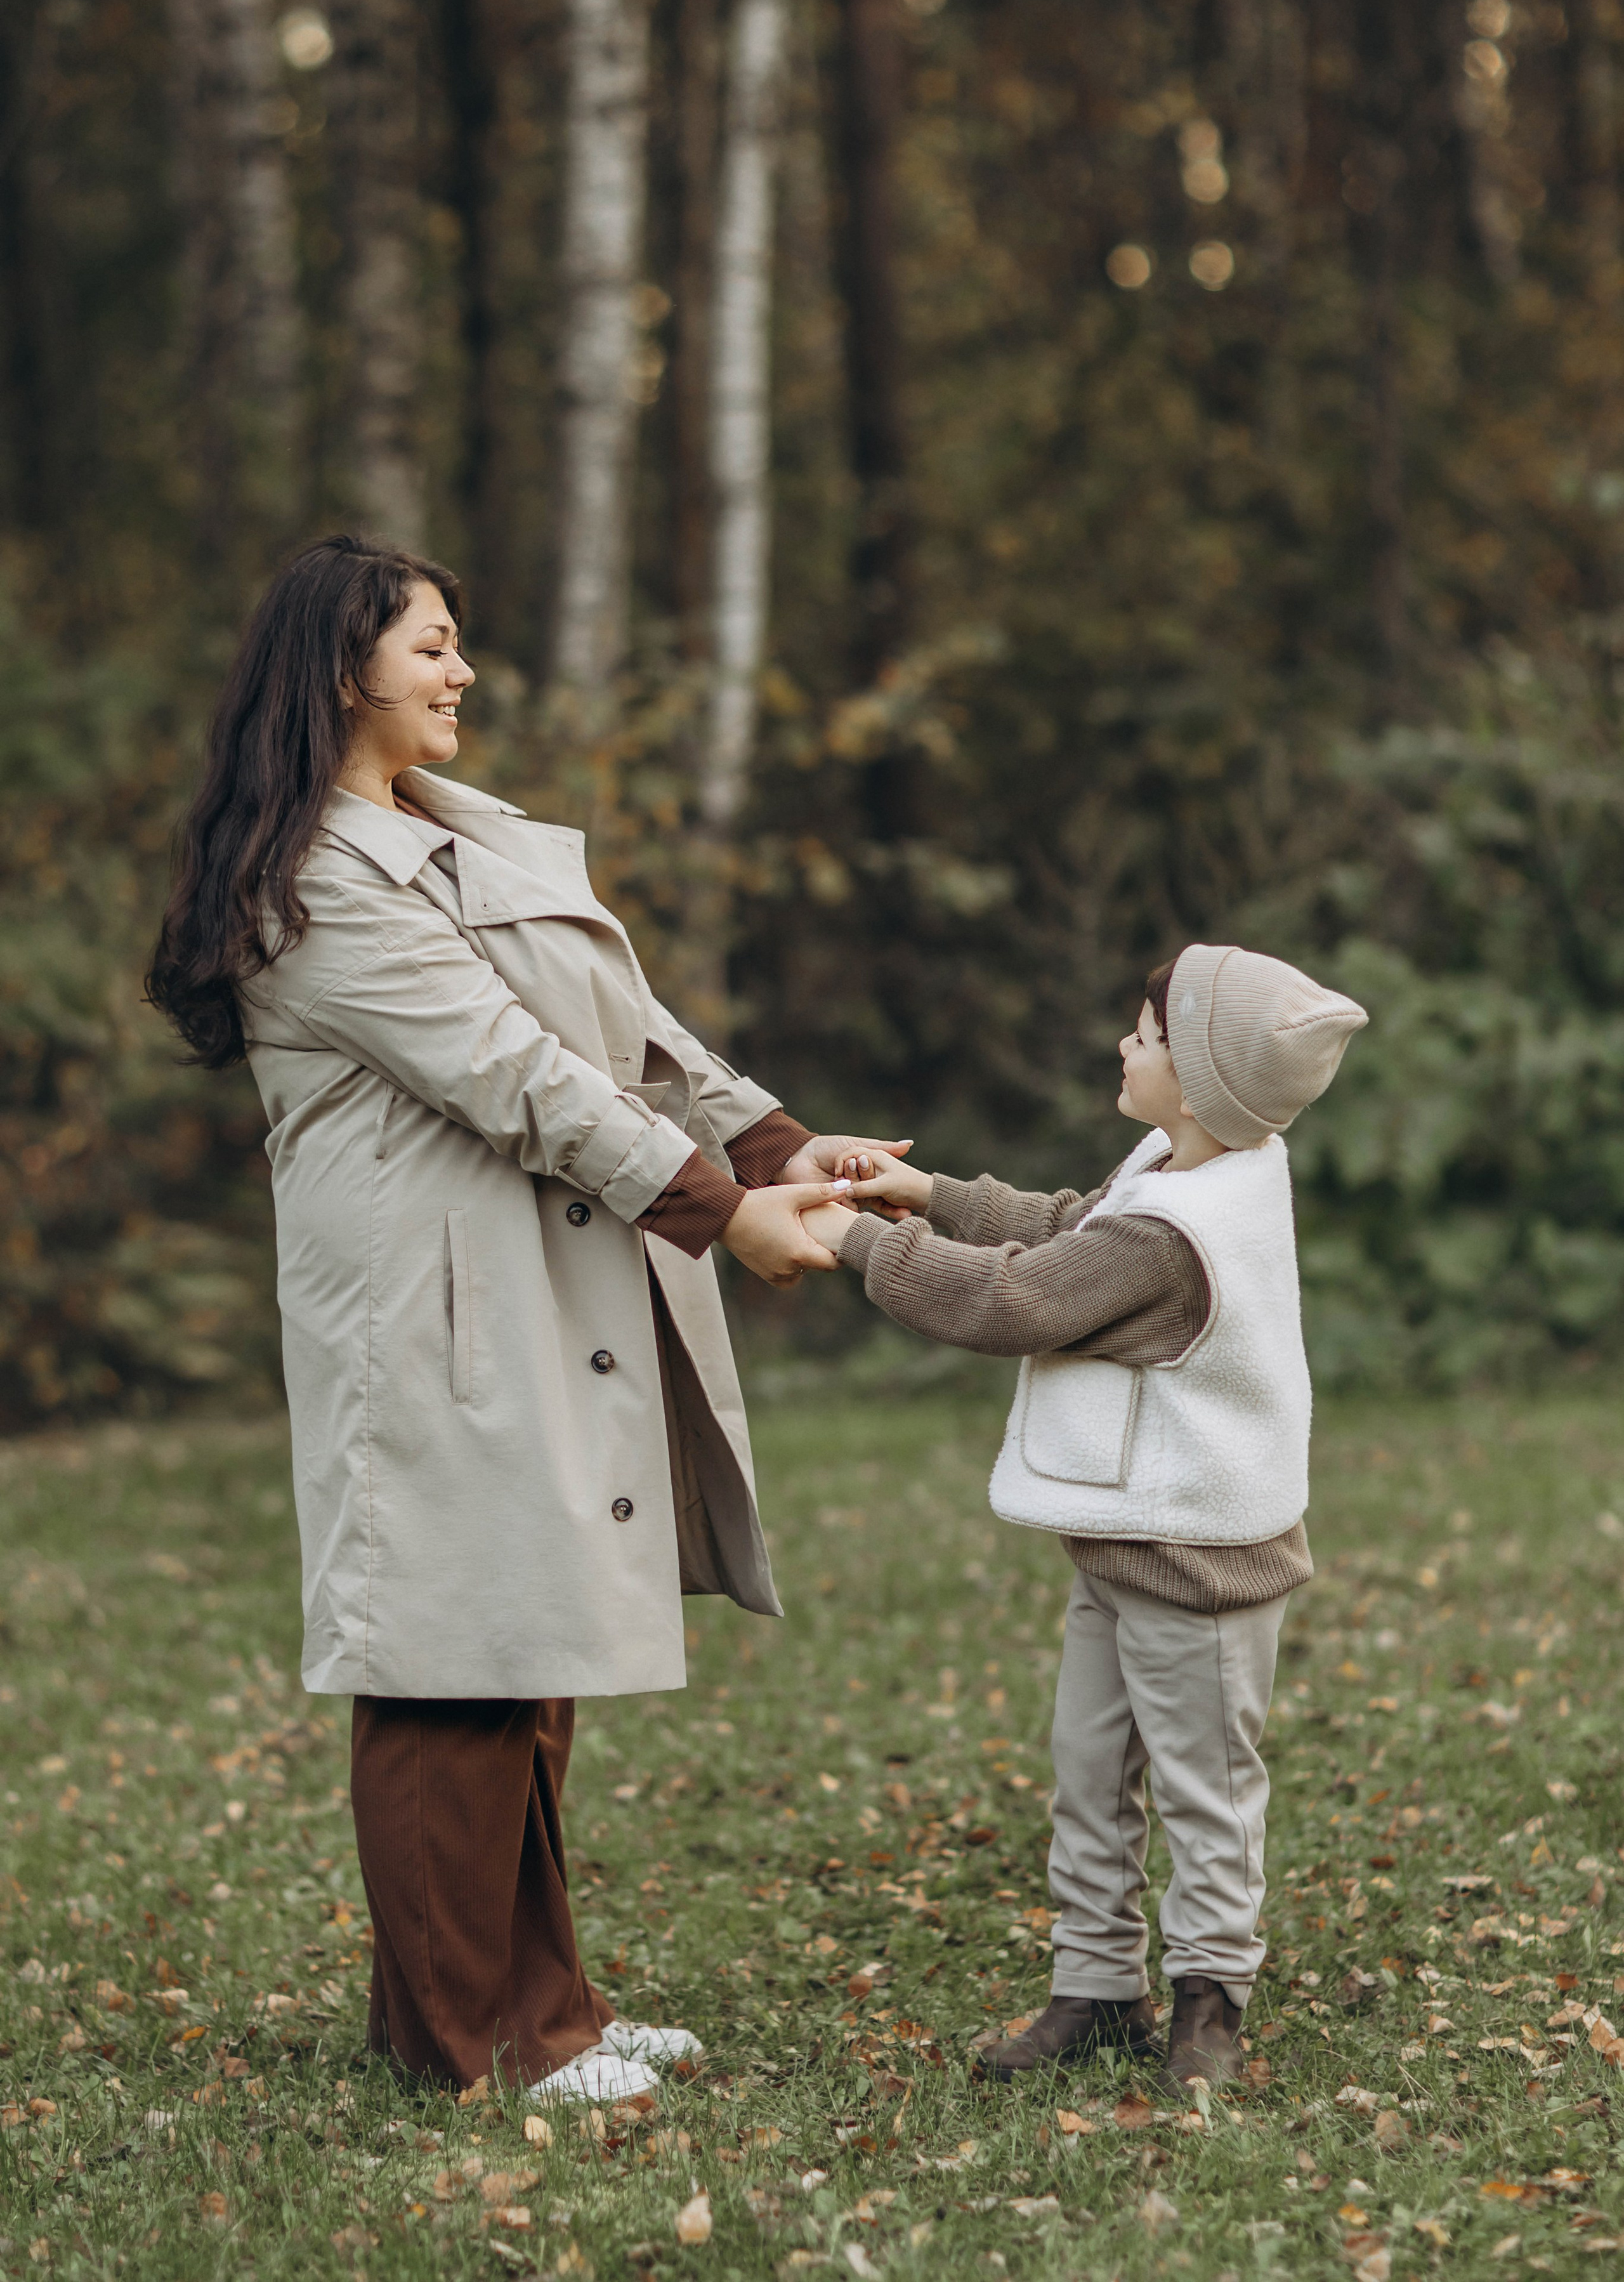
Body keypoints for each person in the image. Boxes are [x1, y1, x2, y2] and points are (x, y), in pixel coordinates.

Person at [148, 534, 907, 2103]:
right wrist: (720, 1212)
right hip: (430, 1315)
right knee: (451, 1667)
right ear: (342, 667)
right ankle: (466, 2043)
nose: (460, 672)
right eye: (432, 645)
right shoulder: (313, 887)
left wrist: (775, 1146)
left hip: (530, 1287)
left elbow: (628, 1029)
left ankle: (537, 2002)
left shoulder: (456, 828)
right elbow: (516, 1074)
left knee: (526, 1652)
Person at [799, 945, 1366, 2089]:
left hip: (1199, 1562)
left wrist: (853, 1237)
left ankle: (1210, 2000)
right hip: (1123, 1545)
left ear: (1200, 1080)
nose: (1125, 1044)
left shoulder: (1174, 1236)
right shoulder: (1191, 1163)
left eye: (1148, 1034)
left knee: (1207, 1787)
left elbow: (1014, 1297)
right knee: (1091, 1771)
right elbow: (1068, 1222)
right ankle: (1097, 1986)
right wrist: (930, 1194)